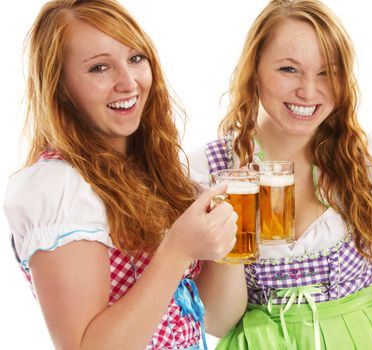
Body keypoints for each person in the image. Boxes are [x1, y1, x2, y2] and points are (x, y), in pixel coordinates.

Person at [188, 0, 372, 349]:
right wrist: (237, 225)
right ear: (254, 70)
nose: (309, 91)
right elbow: (218, 321)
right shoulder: (211, 170)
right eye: (288, 70)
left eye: (327, 72)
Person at [2, 1, 238, 349]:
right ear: (60, 87)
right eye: (99, 68)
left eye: (136, 58)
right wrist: (176, 250)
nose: (128, 83)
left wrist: (233, 233)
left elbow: (215, 317)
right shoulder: (61, 186)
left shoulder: (149, 170)